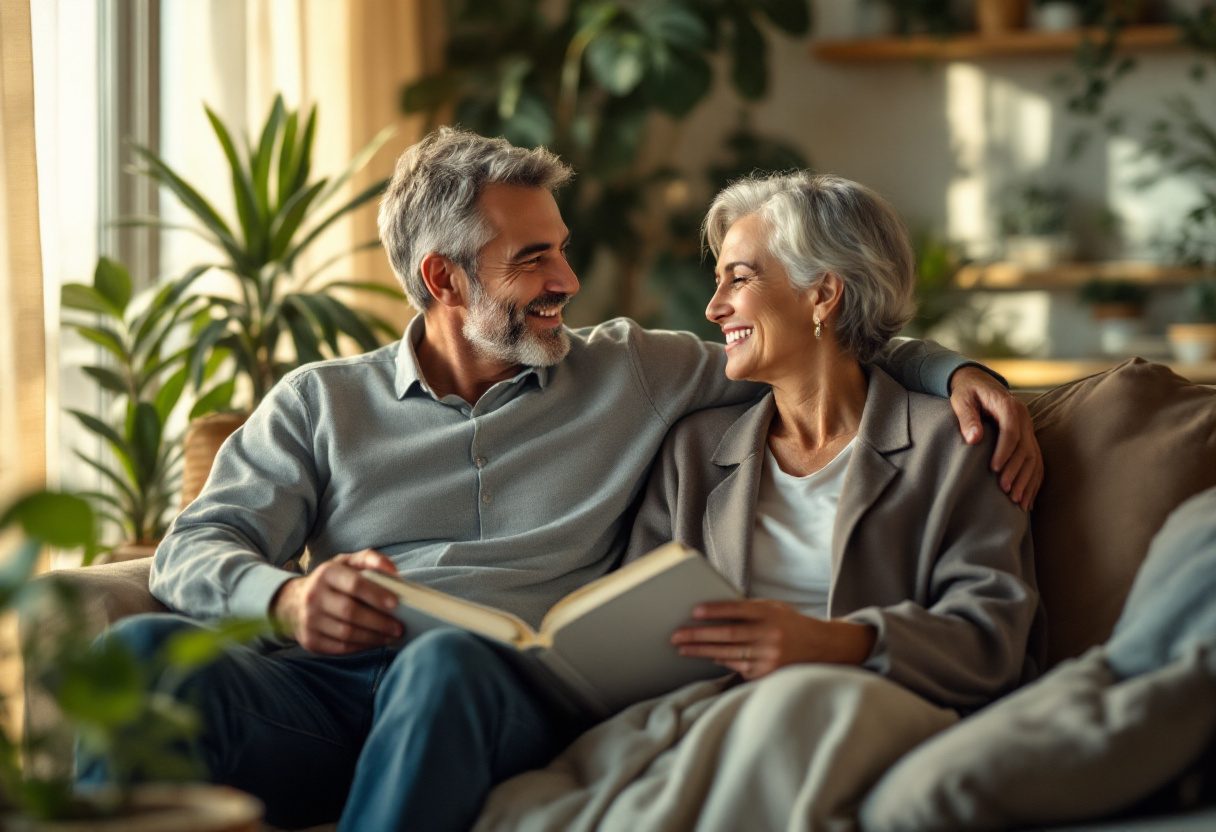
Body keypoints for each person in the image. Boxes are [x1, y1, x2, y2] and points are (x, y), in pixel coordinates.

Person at [78, 130, 1042, 831]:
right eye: (533, 257)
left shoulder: (633, 369)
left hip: (499, 700)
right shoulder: (319, 404)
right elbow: (192, 550)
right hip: (326, 698)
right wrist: (287, 597)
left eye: (563, 247)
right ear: (444, 280)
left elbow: (817, 346)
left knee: (442, 665)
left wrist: (954, 372)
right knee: (141, 656)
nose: (568, 280)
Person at [477, 172, 1044, 830]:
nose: (714, 308)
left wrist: (837, 644)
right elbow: (636, 626)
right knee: (520, 808)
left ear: (823, 293)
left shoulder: (954, 442)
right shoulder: (696, 449)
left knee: (801, 702)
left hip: (871, 709)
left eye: (738, 279)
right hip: (708, 719)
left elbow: (993, 639)